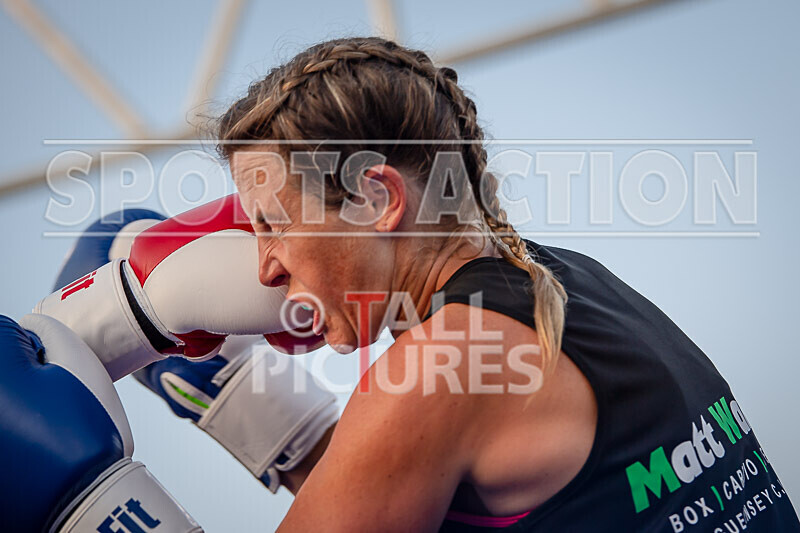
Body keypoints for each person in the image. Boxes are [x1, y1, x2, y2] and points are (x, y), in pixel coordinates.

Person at [207, 36, 800, 532]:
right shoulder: (568, 278)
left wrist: (137, 498)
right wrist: (251, 407)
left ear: (376, 199)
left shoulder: (440, 368)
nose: (266, 268)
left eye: (274, 225)